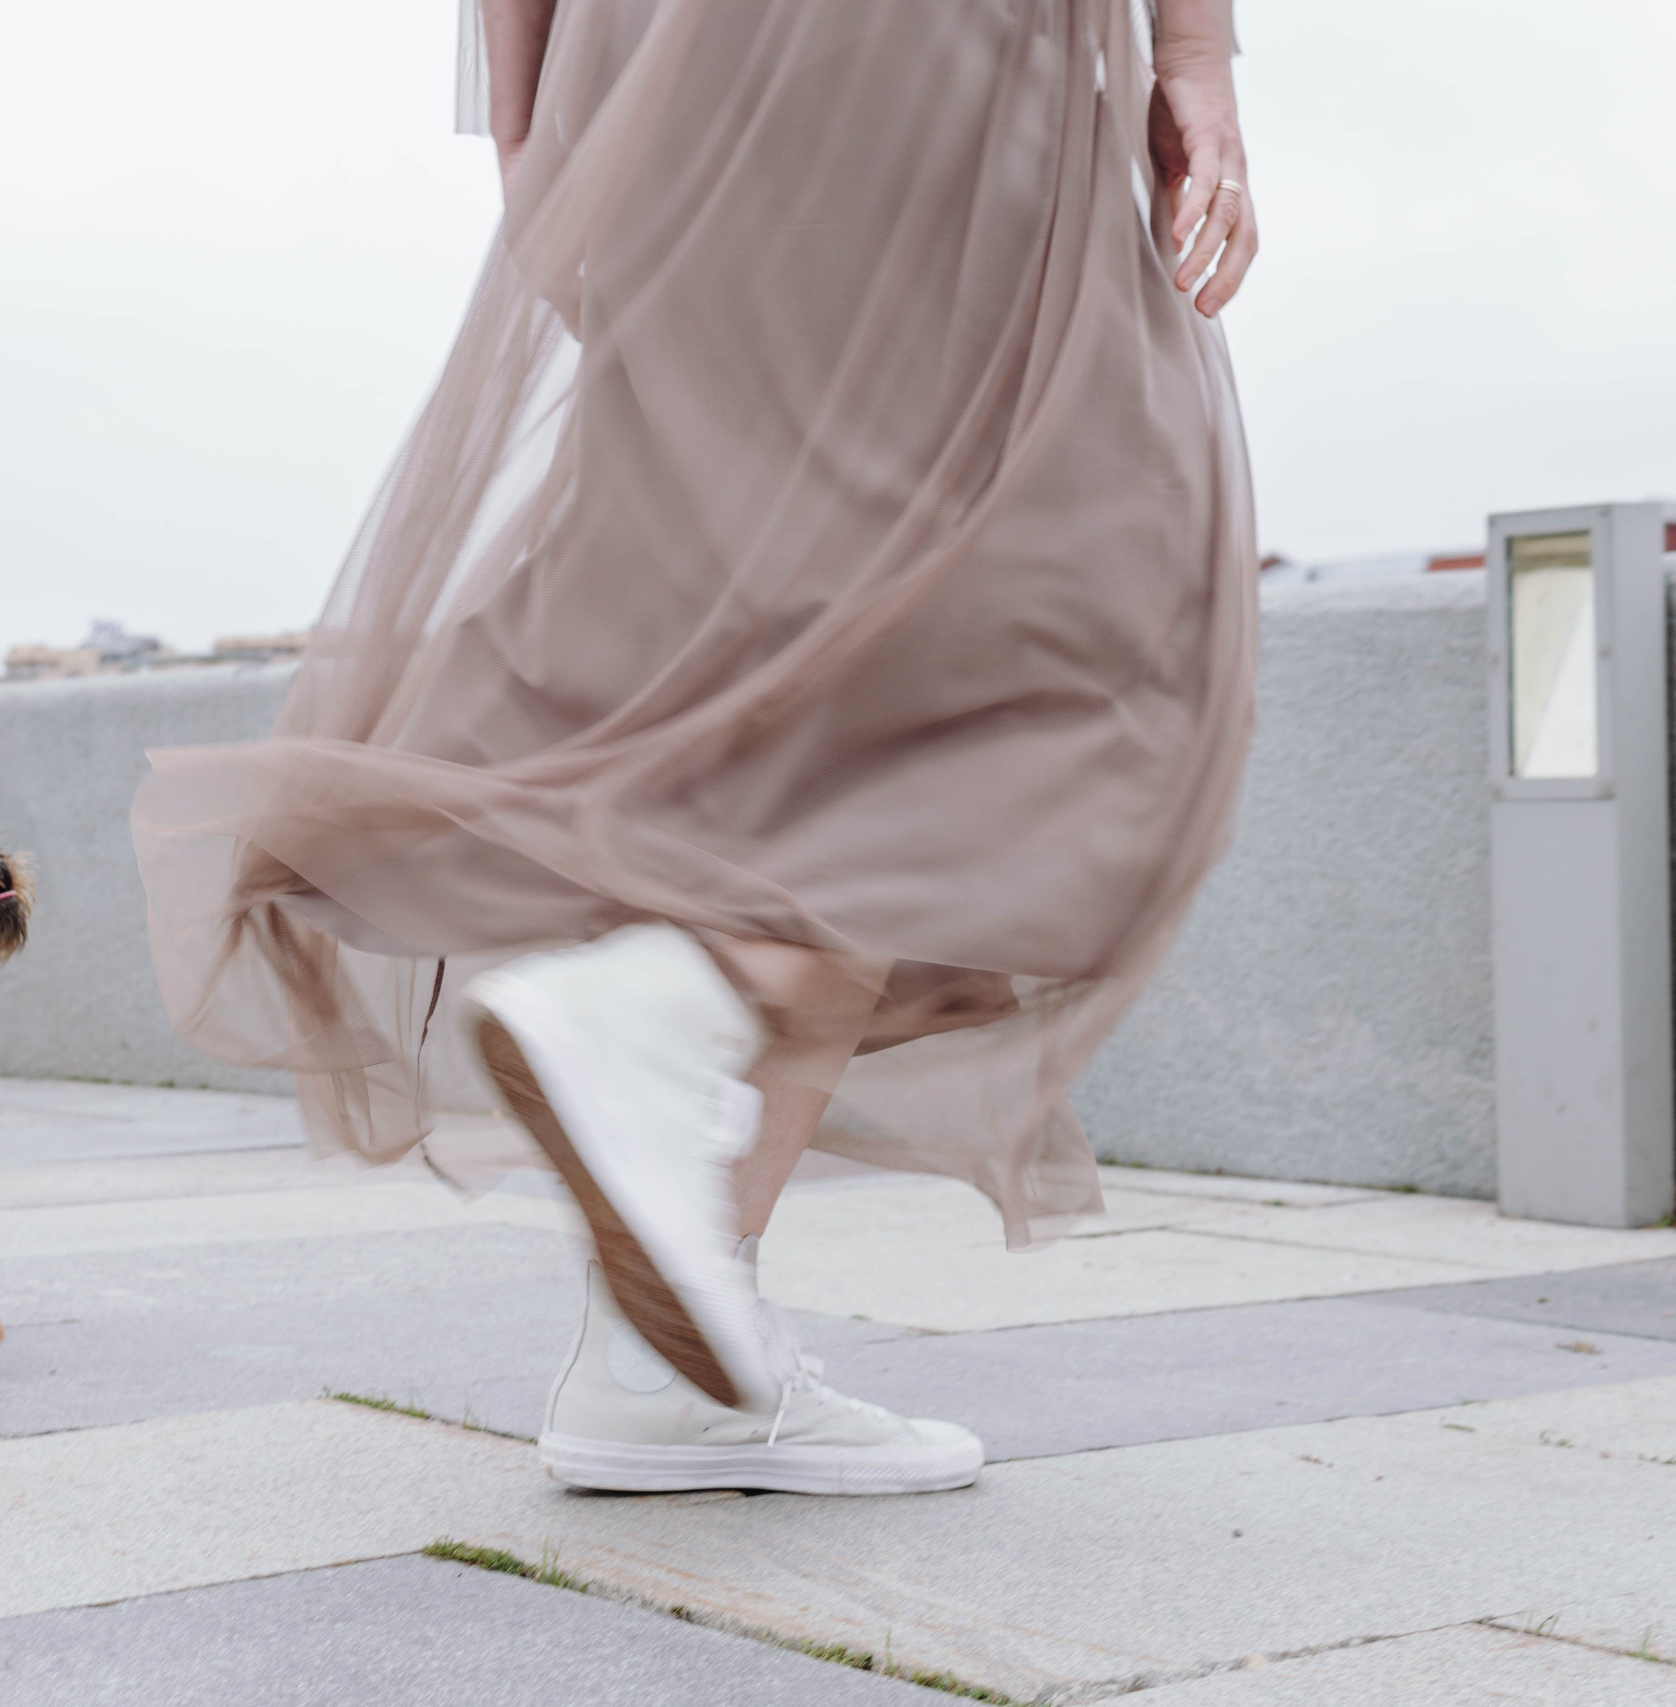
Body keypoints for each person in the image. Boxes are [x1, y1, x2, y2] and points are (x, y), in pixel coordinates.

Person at [135, 0, 1256, 1495]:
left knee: (769, 634)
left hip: (646, 47)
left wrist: (531, 96)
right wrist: (1194, 54)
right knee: (1071, 580)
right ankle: (686, 1000)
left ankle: (662, 1361)